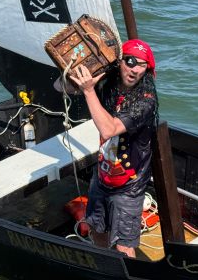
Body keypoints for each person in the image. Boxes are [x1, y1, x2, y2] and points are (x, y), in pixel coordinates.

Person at [69, 38, 158, 258]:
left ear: (147, 70)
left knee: (124, 246)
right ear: (119, 62)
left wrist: (89, 92)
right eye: (129, 61)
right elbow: (59, 86)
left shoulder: (146, 101)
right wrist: (74, 71)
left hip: (129, 184)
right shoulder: (107, 85)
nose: (134, 69)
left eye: (141, 65)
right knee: (97, 230)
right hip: (103, 174)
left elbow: (109, 129)